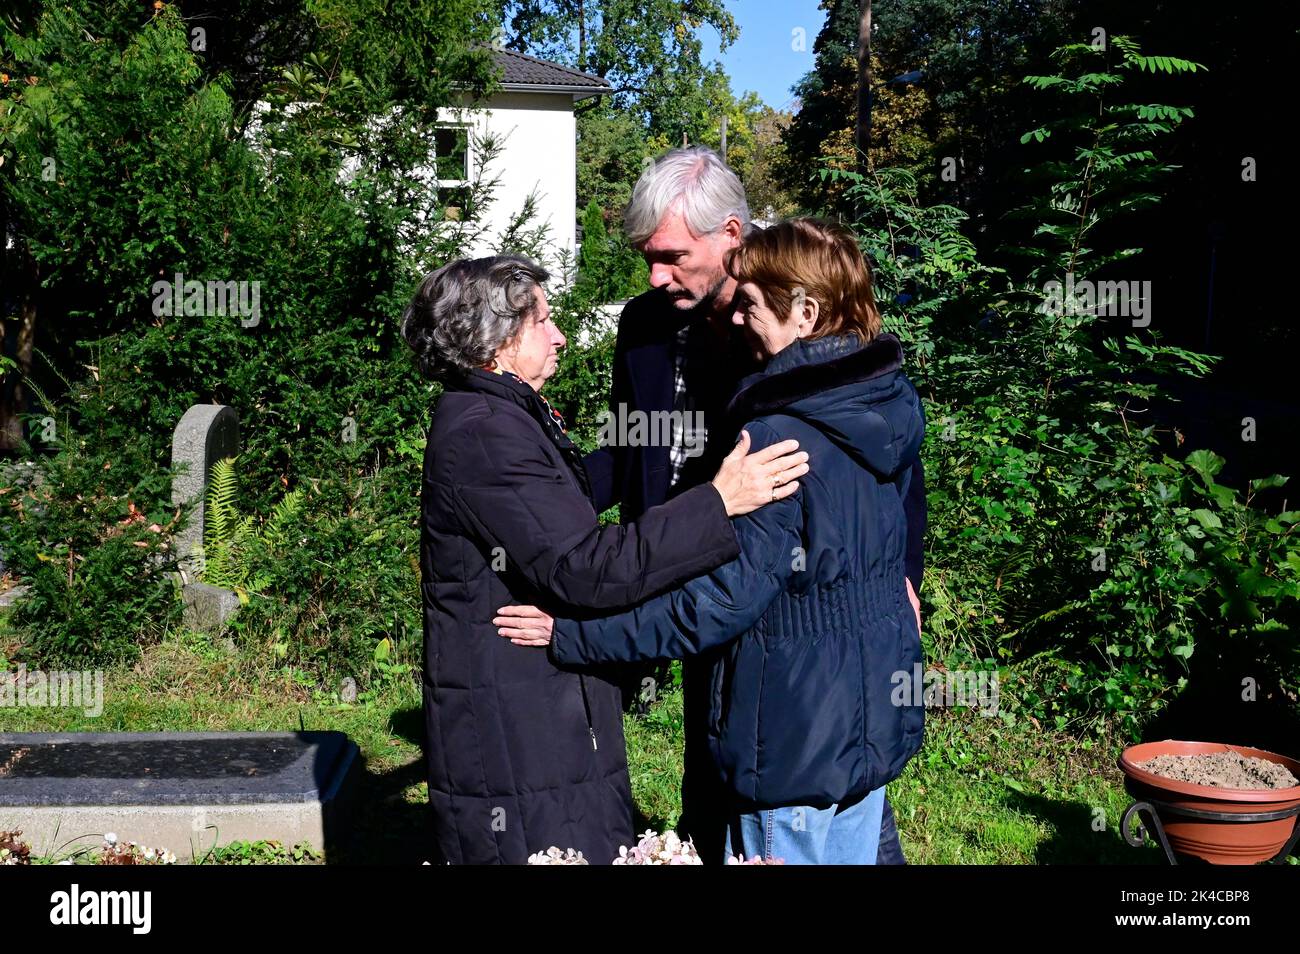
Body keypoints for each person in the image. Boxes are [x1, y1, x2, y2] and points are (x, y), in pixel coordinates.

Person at [498, 218, 926, 864]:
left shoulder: (780, 443)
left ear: (805, 313)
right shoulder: (880, 409)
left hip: (791, 754)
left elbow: (708, 606)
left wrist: (571, 635)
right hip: (865, 741)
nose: (735, 321)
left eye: (750, 305)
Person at [401, 253, 809, 864]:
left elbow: (560, 503)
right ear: (497, 341)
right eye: (542, 321)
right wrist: (718, 501)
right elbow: (587, 566)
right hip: (515, 704)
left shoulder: (503, 414)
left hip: (528, 690)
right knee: (542, 844)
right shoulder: (486, 431)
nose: (559, 334)